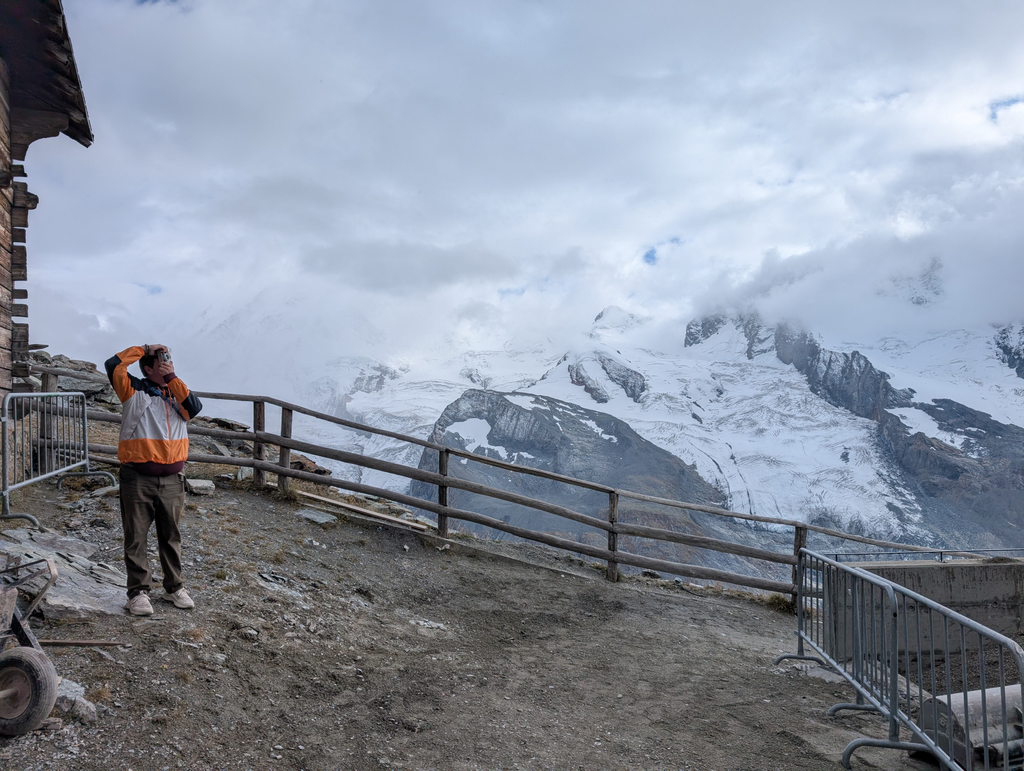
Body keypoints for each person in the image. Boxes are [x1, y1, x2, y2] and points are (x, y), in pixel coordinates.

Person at [104, 344, 203, 616]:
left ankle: (175, 588)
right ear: (148, 368)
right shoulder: (133, 389)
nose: (168, 363)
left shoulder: (177, 391)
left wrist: (171, 377)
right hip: (137, 477)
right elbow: (113, 365)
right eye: (160, 361)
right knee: (135, 536)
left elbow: (194, 408)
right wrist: (143, 348)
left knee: (171, 535)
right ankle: (137, 593)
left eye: (168, 360)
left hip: (173, 479)